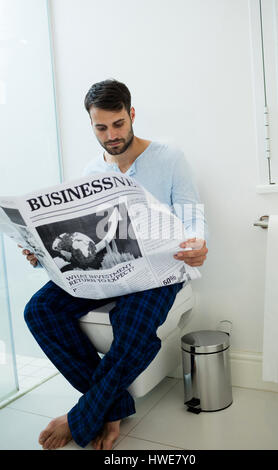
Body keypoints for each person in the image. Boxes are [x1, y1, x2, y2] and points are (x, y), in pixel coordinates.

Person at [20, 79, 208, 450]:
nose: (111, 135)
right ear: (91, 125)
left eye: (118, 124)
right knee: (39, 310)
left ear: (131, 114)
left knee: (130, 324)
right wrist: (41, 254)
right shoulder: (92, 171)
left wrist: (199, 243)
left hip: (159, 270)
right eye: (101, 128)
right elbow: (86, 242)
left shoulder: (169, 157)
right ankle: (113, 404)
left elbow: (192, 216)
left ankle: (84, 415)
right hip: (107, 270)